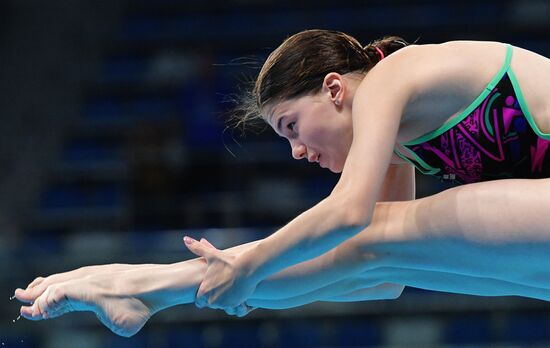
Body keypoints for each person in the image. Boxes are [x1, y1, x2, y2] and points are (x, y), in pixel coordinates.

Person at [13, 29, 550, 337]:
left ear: (334, 88)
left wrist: (250, 267)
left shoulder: (395, 76)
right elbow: (380, 280)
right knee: (383, 252)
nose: (297, 151)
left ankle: (142, 286)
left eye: (292, 125)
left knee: (373, 230)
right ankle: (150, 291)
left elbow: (350, 217)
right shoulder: (392, 143)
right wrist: (250, 286)